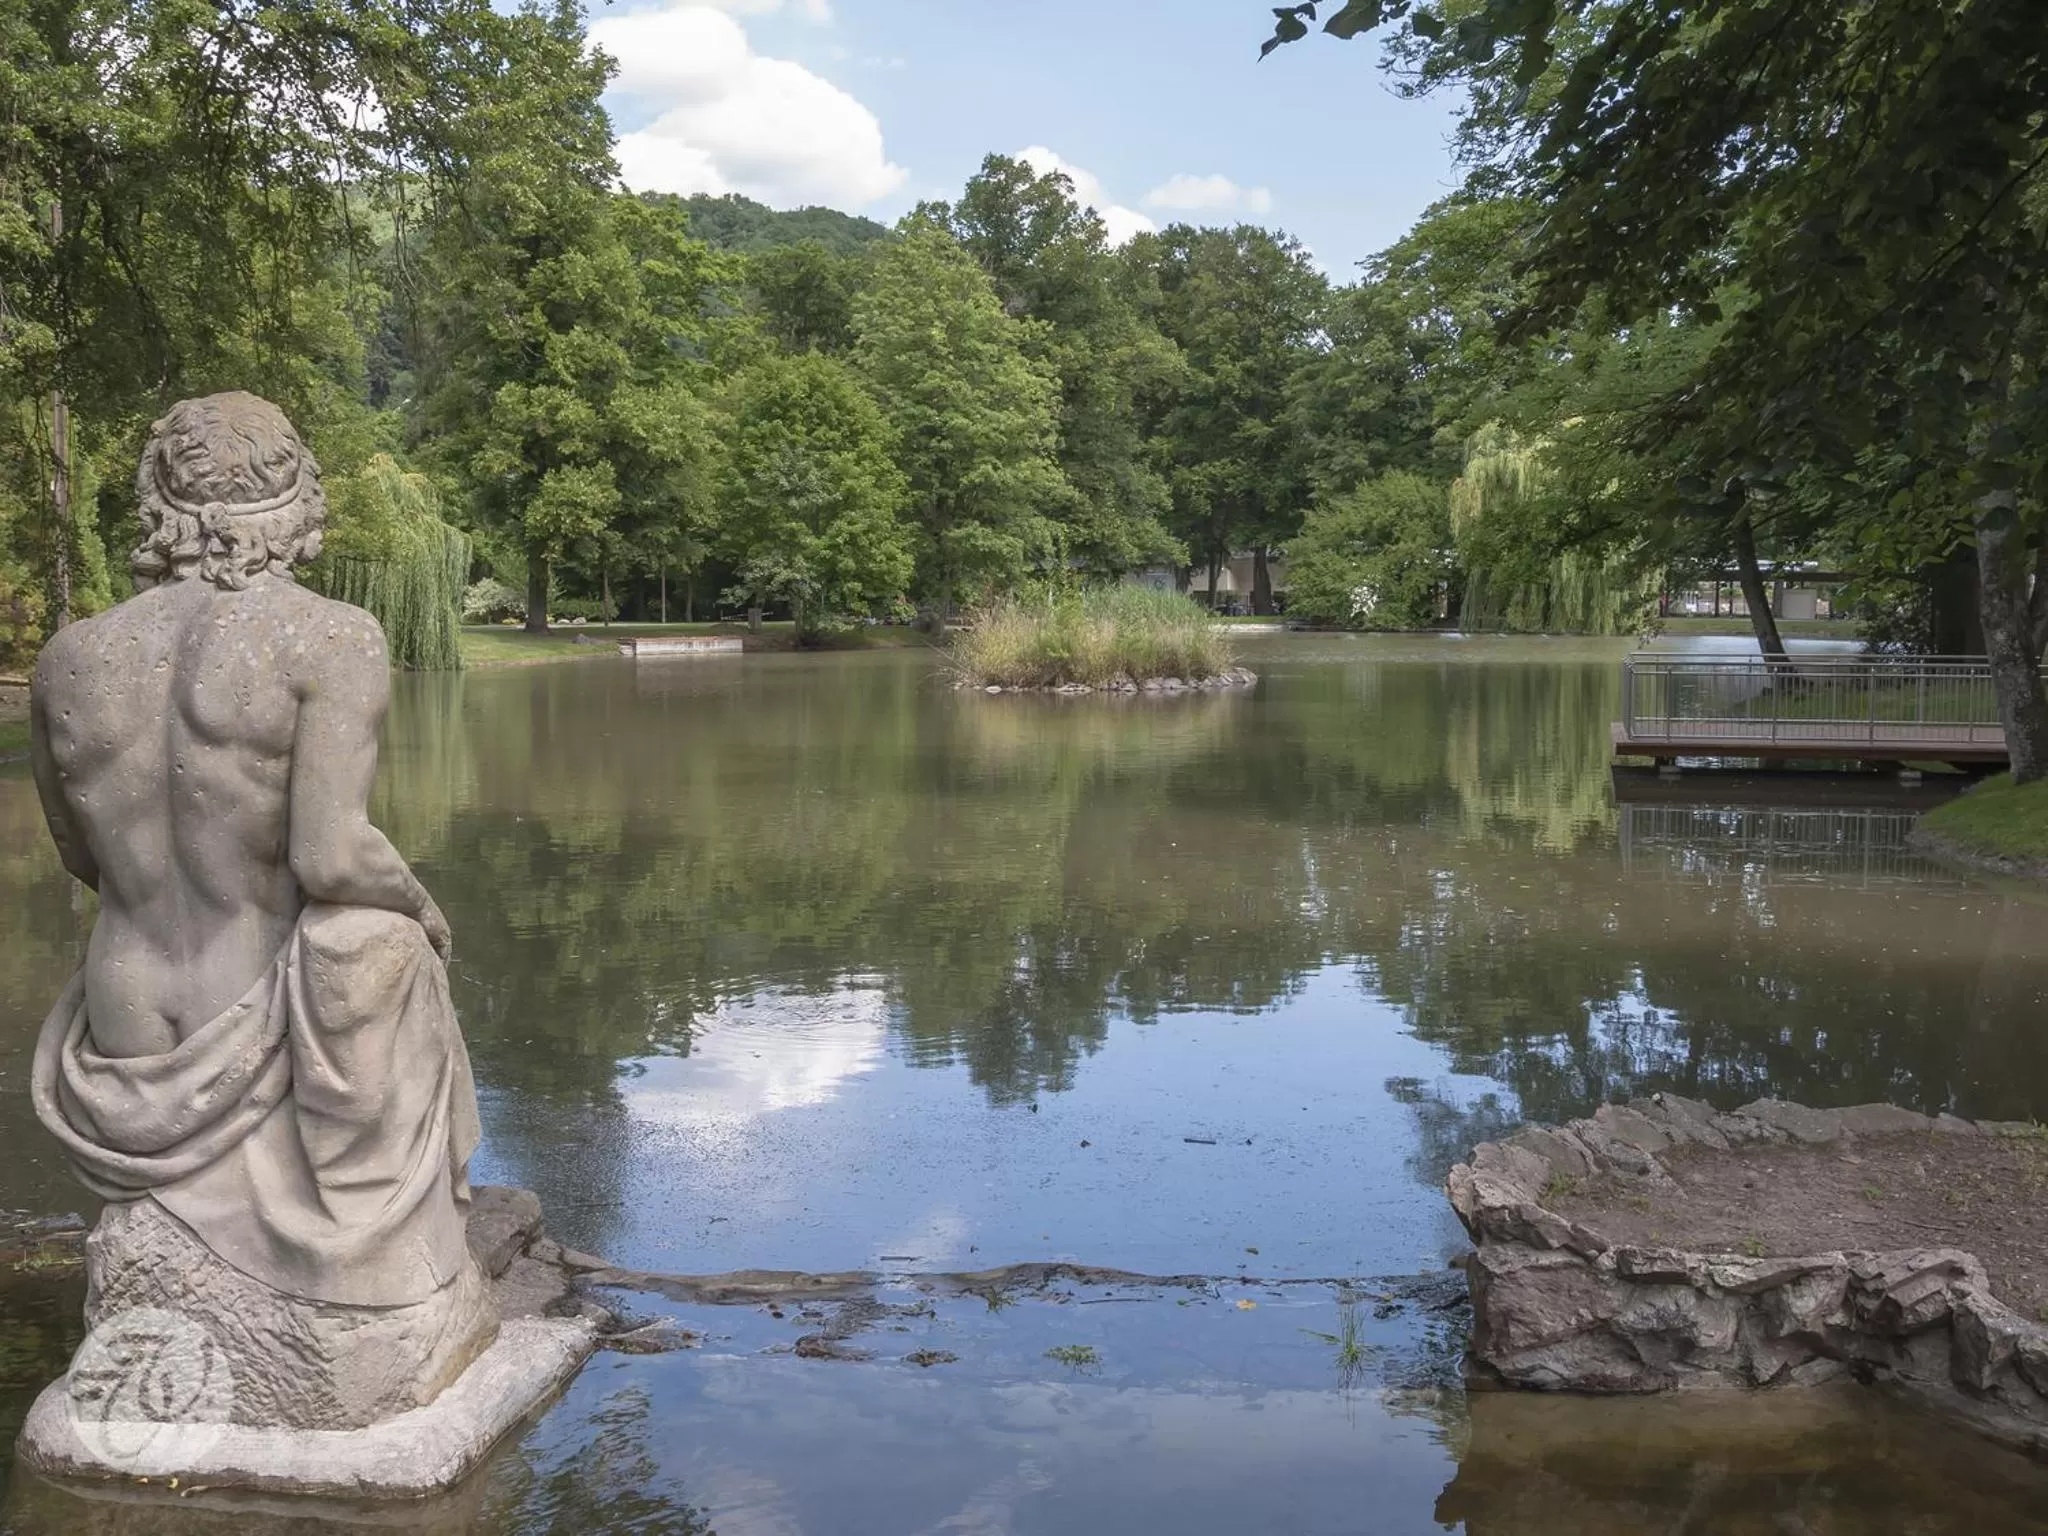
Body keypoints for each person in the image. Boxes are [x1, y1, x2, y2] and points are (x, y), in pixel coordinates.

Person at [28, 392, 489, 1333]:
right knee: (385, 939)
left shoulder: (69, 659)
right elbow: (331, 853)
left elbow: (81, 855)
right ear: (298, 505)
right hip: (258, 997)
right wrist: (424, 907)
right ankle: (386, 1290)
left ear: (158, 502)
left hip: (123, 1018)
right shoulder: (329, 637)